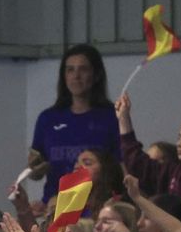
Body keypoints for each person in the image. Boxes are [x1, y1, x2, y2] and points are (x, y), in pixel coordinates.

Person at [27, 44, 120, 200]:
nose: (76, 76)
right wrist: (34, 170)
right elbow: (36, 171)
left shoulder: (112, 116)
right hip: (55, 205)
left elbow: (121, 167)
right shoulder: (48, 119)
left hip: (97, 206)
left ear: (96, 75)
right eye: (70, 70)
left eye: (83, 69)